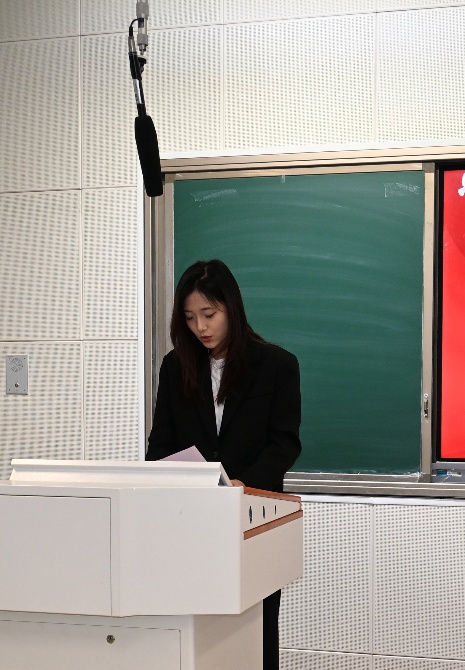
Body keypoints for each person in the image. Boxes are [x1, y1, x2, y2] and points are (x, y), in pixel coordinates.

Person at [147, 259, 301, 670]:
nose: (200, 327)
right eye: (189, 317)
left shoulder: (277, 366)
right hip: (191, 522)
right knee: (199, 641)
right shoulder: (175, 367)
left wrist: (242, 484)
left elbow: (284, 444)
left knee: (255, 637)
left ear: (231, 308)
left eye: (209, 314)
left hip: (255, 519)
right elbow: (159, 448)